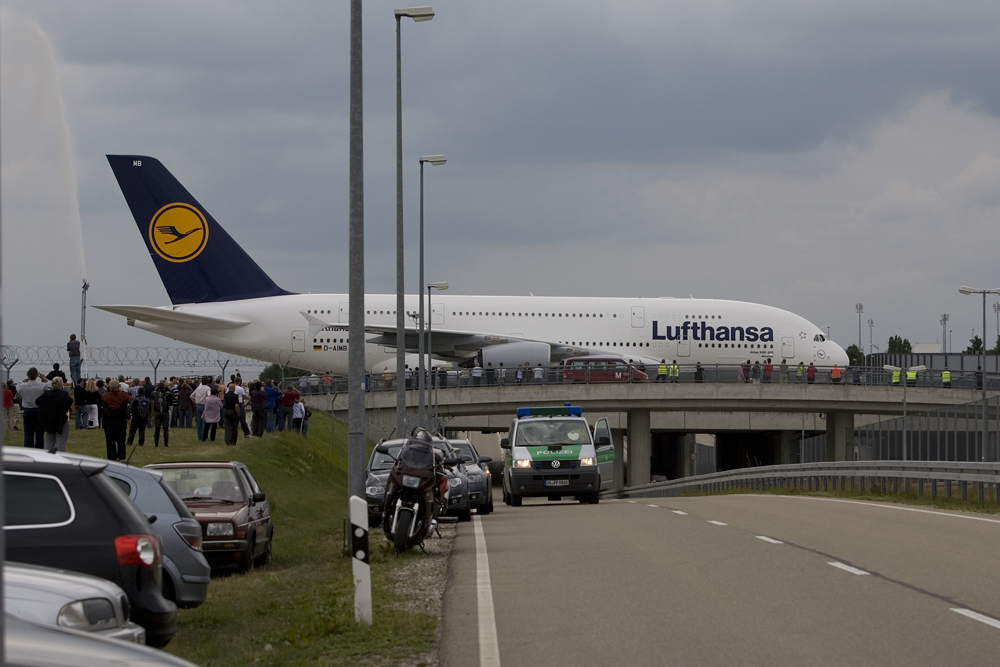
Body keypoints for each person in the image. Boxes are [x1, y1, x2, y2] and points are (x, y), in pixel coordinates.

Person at [37, 377, 74, 453]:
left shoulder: (46, 394)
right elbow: (70, 401)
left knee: (49, 440)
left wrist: (46, 409)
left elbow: (38, 401)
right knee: (61, 440)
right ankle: (59, 456)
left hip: (49, 419)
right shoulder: (64, 395)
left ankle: (47, 456)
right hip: (61, 419)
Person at [17, 367, 49, 448]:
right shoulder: (41, 385)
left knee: (28, 433)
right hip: (39, 410)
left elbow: (18, 385)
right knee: (40, 433)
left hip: (28, 410)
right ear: (37, 375)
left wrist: (25, 379)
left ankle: (28, 449)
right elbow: (51, 384)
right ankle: (39, 450)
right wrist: (43, 378)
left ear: (28, 375)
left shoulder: (23, 386)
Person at [102, 380, 131, 461]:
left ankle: (111, 457)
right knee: (121, 441)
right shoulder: (124, 396)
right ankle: (121, 457)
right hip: (120, 421)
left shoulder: (105, 396)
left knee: (110, 441)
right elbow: (127, 399)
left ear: (109, 387)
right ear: (119, 387)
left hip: (109, 422)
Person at [151, 382, 173, 447]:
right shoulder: (167, 394)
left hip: (157, 412)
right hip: (165, 412)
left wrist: (157, 388)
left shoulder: (154, 394)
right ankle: (166, 444)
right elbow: (173, 395)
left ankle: (156, 444)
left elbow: (152, 393)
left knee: (157, 429)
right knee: (165, 429)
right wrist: (167, 389)